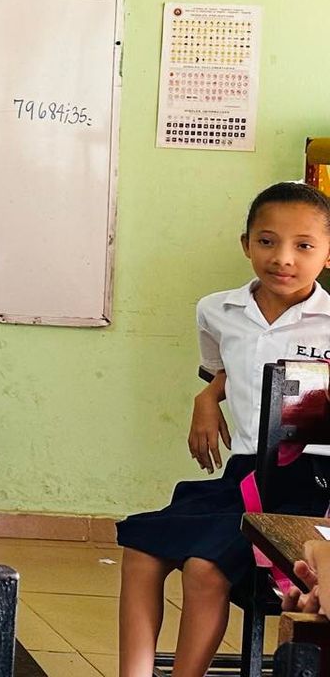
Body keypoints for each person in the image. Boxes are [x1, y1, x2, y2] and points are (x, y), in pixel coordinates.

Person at [118, 182, 330, 677]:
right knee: (141, 550)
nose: (282, 258)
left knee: (203, 568)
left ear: (327, 253)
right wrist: (207, 397)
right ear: (245, 243)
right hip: (243, 475)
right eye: (266, 241)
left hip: (310, 483)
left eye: (303, 246)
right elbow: (229, 368)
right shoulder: (217, 310)